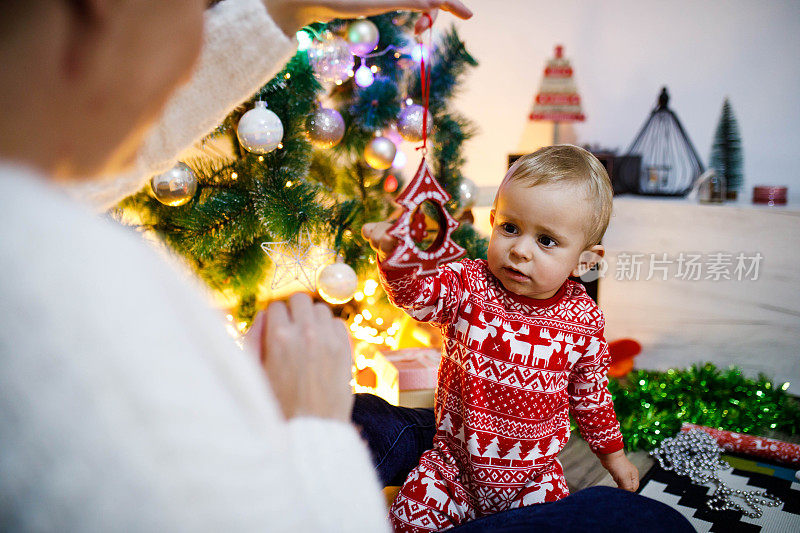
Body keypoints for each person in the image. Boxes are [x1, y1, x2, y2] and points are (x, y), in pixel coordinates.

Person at [0, 0, 472, 530]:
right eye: (203, 6)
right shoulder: (63, 295)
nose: (197, 45)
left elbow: (120, 137)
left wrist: (285, 9)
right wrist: (314, 425)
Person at [362, 145, 640, 532]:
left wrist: (615, 457)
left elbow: (591, 397)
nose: (520, 250)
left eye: (546, 241)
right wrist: (397, 259)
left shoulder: (583, 321)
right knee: (407, 519)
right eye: (510, 228)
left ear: (584, 261)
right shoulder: (469, 284)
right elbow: (418, 297)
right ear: (492, 221)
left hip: (532, 479)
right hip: (451, 469)